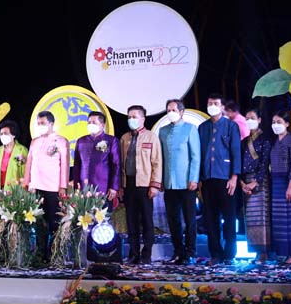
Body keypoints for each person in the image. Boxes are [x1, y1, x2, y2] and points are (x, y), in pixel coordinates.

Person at [198, 93, 241, 265]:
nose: (212, 106)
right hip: (207, 178)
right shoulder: (203, 127)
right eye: (210, 103)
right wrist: (199, 178)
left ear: (222, 107)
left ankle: (229, 254)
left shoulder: (231, 126)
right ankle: (215, 254)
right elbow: (199, 154)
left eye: (215, 103)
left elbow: (236, 151)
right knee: (210, 218)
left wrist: (234, 177)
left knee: (229, 218)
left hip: (226, 178)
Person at [119, 104, 163, 264]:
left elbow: (157, 162)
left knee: (146, 220)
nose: (131, 119)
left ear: (143, 119)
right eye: (129, 117)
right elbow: (121, 164)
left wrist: (154, 185)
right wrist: (120, 186)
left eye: (134, 117)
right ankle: (134, 253)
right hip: (129, 184)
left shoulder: (151, 137)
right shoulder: (124, 138)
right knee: (131, 221)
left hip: (145, 184)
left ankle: (146, 254)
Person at [158, 99, 201, 265]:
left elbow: (195, 156)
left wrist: (194, 178)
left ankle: (190, 252)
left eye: (174, 110)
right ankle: (178, 252)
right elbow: (161, 158)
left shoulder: (190, 129)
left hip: (186, 182)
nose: (171, 113)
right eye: (168, 110)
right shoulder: (163, 131)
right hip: (169, 183)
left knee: (190, 220)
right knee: (173, 220)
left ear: (181, 112)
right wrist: (161, 180)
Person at [24, 111, 70, 259]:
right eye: (38, 123)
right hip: (36, 187)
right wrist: (26, 182)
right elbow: (29, 163)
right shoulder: (34, 141)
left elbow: (65, 165)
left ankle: (55, 253)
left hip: (53, 187)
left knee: (54, 222)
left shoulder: (61, 141)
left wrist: (63, 186)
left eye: (43, 123)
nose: (40, 126)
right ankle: (40, 253)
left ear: (51, 124)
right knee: (38, 222)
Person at [269, 110, 291, 264]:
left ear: (287, 124)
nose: (276, 125)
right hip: (276, 183)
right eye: (274, 122)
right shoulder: (275, 141)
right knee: (280, 220)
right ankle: (282, 253)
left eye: (279, 122)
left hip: (288, 182)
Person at [240, 109, 271, 264]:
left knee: (261, 218)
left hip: (260, 181)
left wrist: (255, 182)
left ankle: (264, 252)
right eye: (247, 118)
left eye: (252, 118)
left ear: (259, 120)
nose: (249, 121)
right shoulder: (244, 141)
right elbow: (239, 163)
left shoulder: (265, 139)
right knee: (250, 219)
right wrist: (242, 183)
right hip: (246, 181)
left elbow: (265, 163)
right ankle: (255, 251)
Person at [0, 120, 29, 223]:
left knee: (14, 218)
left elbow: (26, 171)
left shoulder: (22, 150)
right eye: (1, 134)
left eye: (6, 133)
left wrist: (25, 189)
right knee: (0, 218)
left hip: (15, 191)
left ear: (13, 135)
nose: (3, 136)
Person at [72, 111, 120, 207]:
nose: (91, 125)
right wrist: (76, 186)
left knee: (102, 215)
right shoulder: (81, 141)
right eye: (89, 122)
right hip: (84, 188)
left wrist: (114, 187)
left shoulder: (111, 140)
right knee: (83, 215)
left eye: (94, 122)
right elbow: (77, 165)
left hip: (103, 188)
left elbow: (116, 165)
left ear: (102, 125)